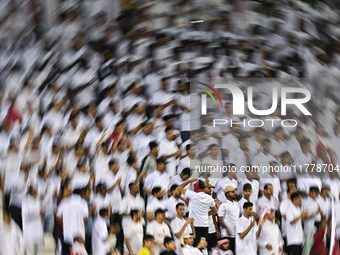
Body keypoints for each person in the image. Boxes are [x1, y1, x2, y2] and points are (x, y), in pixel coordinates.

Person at [178, 178, 217, 247]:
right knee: (203, 246)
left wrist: (189, 181)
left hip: (194, 225)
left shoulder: (193, 195)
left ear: (196, 188)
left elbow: (180, 188)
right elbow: (215, 211)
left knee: (196, 246)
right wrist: (205, 213)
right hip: (205, 225)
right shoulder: (209, 198)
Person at [56, 186, 89, 255]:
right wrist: (85, 230)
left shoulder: (64, 201)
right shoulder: (83, 203)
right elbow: (85, 218)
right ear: (82, 193)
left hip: (67, 234)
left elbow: (57, 216)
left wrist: (64, 225)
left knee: (66, 252)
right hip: (79, 235)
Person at [21, 184, 45, 255]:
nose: (37, 192)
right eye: (35, 190)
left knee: (40, 252)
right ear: (31, 191)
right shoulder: (25, 201)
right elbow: (27, 215)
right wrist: (38, 212)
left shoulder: (38, 201)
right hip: (29, 233)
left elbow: (42, 212)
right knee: (30, 253)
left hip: (39, 232)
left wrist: (42, 212)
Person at [218, 185, 240, 254]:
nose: (235, 193)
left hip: (236, 234)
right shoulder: (223, 205)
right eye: (232, 192)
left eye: (235, 192)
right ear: (227, 194)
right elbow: (220, 219)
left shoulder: (237, 204)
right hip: (226, 234)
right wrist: (226, 228)